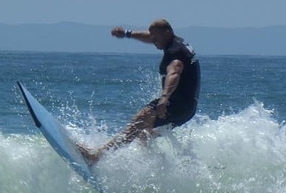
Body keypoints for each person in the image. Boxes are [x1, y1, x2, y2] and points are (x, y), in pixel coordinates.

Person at [79, 18, 201, 163]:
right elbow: (150, 37)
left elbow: (174, 73)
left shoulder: (174, 52)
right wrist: (127, 33)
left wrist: (164, 97)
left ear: (167, 33)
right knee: (145, 133)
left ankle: (97, 156)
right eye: (152, 37)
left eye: (156, 37)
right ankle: (149, 167)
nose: (153, 40)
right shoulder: (176, 42)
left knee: (140, 119)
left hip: (176, 104)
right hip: (188, 109)